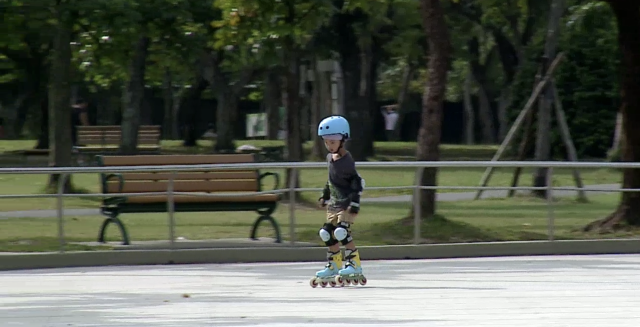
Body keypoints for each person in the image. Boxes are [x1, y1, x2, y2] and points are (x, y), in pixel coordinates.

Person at [311, 115, 366, 287]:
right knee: (326, 233)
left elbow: (356, 182)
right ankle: (334, 265)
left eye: (333, 142)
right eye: (326, 142)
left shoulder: (347, 161)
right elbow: (331, 180)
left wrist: (355, 203)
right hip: (334, 204)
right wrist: (325, 195)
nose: (329, 145)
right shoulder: (330, 159)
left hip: (347, 204)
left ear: (343, 139)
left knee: (341, 232)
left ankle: (355, 264)